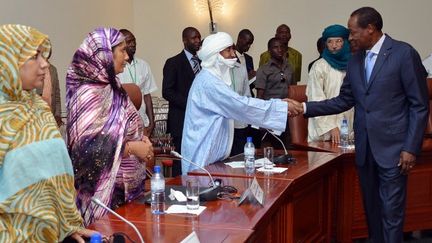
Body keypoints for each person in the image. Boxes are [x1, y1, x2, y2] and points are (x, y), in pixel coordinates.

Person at [291, 7, 429, 242]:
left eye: (353, 32)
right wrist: (304, 108)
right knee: (372, 212)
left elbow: (419, 104)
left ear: (371, 29)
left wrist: (410, 148)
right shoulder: (355, 60)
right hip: (365, 150)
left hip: (395, 150)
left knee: (391, 213)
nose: (350, 38)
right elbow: (344, 100)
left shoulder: (403, 54)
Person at [0, 24, 96, 242]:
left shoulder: (39, 108)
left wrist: (69, 223)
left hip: (55, 235)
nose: (44, 64)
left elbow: (58, 173)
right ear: (7, 62)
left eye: (44, 56)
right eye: (35, 56)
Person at [66, 27, 154, 226]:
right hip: (102, 200)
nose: (127, 56)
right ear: (105, 54)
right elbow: (86, 149)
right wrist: (132, 148)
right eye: (122, 51)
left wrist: (143, 140)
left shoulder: (112, 86)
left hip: (128, 194)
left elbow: (129, 125)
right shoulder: (86, 94)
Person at [181, 32, 298, 174]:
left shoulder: (213, 79)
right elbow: (241, 106)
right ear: (215, 54)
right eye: (228, 50)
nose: (233, 55)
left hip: (212, 159)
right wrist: (280, 107)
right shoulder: (208, 82)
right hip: (201, 158)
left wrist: (279, 107)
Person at [162, 27, 201, 176]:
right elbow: (167, 91)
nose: (197, 40)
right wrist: (190, 104)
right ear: (184, 40)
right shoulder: (173, 62)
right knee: (181, 161)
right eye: (193, 38)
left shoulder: (203, 63)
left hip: (199, 121)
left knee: (196, 161)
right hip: (181, 120)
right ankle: (178, 191)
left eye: (198, 37)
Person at [306, 25, 353, 143]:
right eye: (330, 42)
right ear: (325, 44)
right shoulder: (319, 66)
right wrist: (331, 127)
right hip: (324, 133)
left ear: (345, 42)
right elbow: (316, 98)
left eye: (338, 41)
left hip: (350, 128)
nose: (334, 45)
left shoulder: (354, 64)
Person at [255, 37, 295, 148]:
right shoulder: (263, 70)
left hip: (287, 112)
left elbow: (293, 89)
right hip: (271, 113)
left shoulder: (290, 67)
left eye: (281, 47)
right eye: (275, 47)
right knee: (272, 146)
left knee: (288, 145)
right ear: (269, 50)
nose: (279, 50)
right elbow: (259, 96)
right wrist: (260, 120)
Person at [118, 29, 157, 137]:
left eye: (134, 41)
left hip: (143, 121)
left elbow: (147, 95)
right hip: (123, 125)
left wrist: (151, 121)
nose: (133, 44)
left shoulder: (144, 65)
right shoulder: (116, 67)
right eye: (129, 41)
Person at [36, 48, 62, 126]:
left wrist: (58, 114)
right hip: (37, 113)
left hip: (51, 114)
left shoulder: (53, 69)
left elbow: (57, 94)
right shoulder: (34, 68)